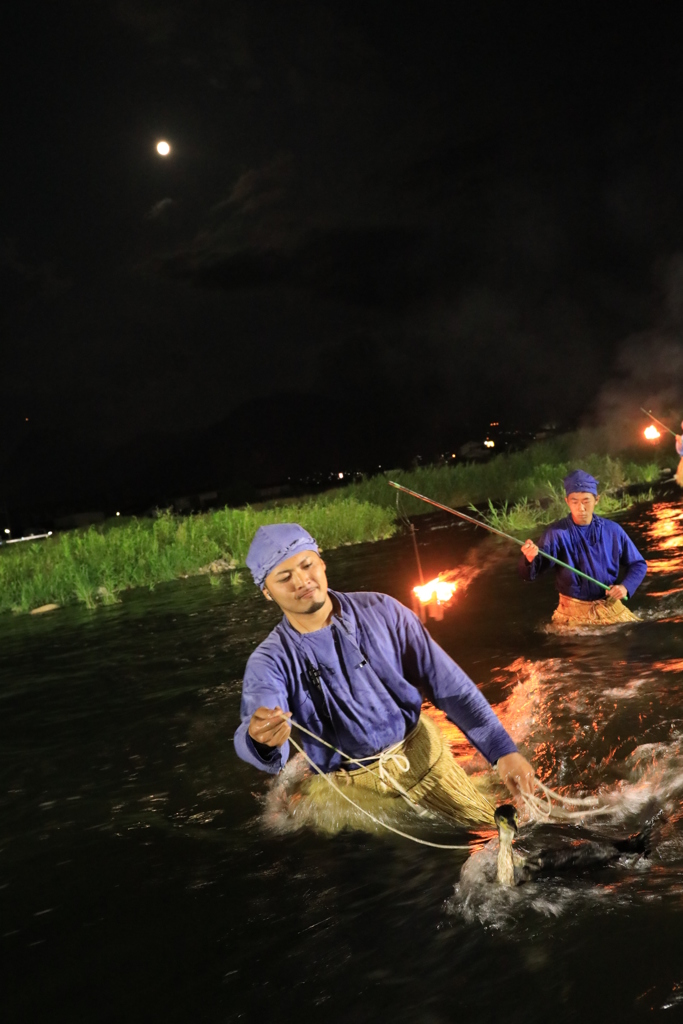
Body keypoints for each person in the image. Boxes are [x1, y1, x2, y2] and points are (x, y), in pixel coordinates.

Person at [234, 523, 536, 831]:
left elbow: (448, 684)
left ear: (322, 563)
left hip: (423, 757)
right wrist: (261, 739)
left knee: (500, 832)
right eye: (284, 578)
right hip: (351, 792)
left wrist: (502, 752)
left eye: (307, 565)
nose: (301, 581)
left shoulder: (384, 610)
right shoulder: (268, 661)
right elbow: (258, 722)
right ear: (267, 592)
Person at [519, 469, 647, 627]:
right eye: (575, 501)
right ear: (567, 501)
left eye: (586, 501)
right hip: (572, 613)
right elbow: (529, 574)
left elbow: (638, 564)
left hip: (610, 607)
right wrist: (530, 559)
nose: (581, 508)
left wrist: (625, 587)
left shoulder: (613, 530)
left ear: (597, 500)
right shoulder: (556, 534)